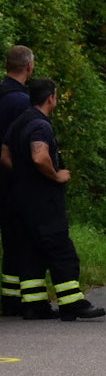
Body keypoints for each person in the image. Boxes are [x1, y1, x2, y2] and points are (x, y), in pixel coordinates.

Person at [0, 79, 105, 321]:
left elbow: (5, 153)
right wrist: (56, 176)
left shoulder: (20, 121)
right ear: (51, 98)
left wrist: (20, 173)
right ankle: (72, 303)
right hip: (43, 201)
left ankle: (34, 305)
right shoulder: (40, 125)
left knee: (31, 251)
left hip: (19, 199)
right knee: (61, 250)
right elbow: (39, 156)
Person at [0, 45, 34, 315]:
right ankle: (16, 300)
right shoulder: (22, 101)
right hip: (10, 181)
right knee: (18, 239)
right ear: (29, 68)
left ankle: (10, 298)